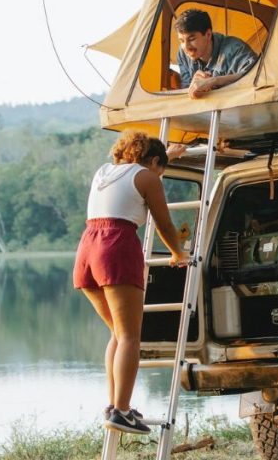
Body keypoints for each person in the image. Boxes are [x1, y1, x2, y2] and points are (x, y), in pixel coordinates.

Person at [73, 130, 188, 435]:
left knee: (118, 333)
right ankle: (122, 411)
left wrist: (169, 156)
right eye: (161, 168)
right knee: (130, 338)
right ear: (153, 162)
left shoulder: (104, 171)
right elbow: (164, 223)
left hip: (87, 249)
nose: (159, 176)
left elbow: (135, 173)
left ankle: (115, 406)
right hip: (116, 246)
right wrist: (179, 252)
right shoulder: (148, 178)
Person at [175, 8, 258, 99]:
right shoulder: (182, 54)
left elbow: (257, 75)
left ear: (208, 35)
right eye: (182, 41)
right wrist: (193, 87)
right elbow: (186, 89)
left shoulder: (236, 49)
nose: (186, 47)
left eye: (191, 39)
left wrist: (215, 81)